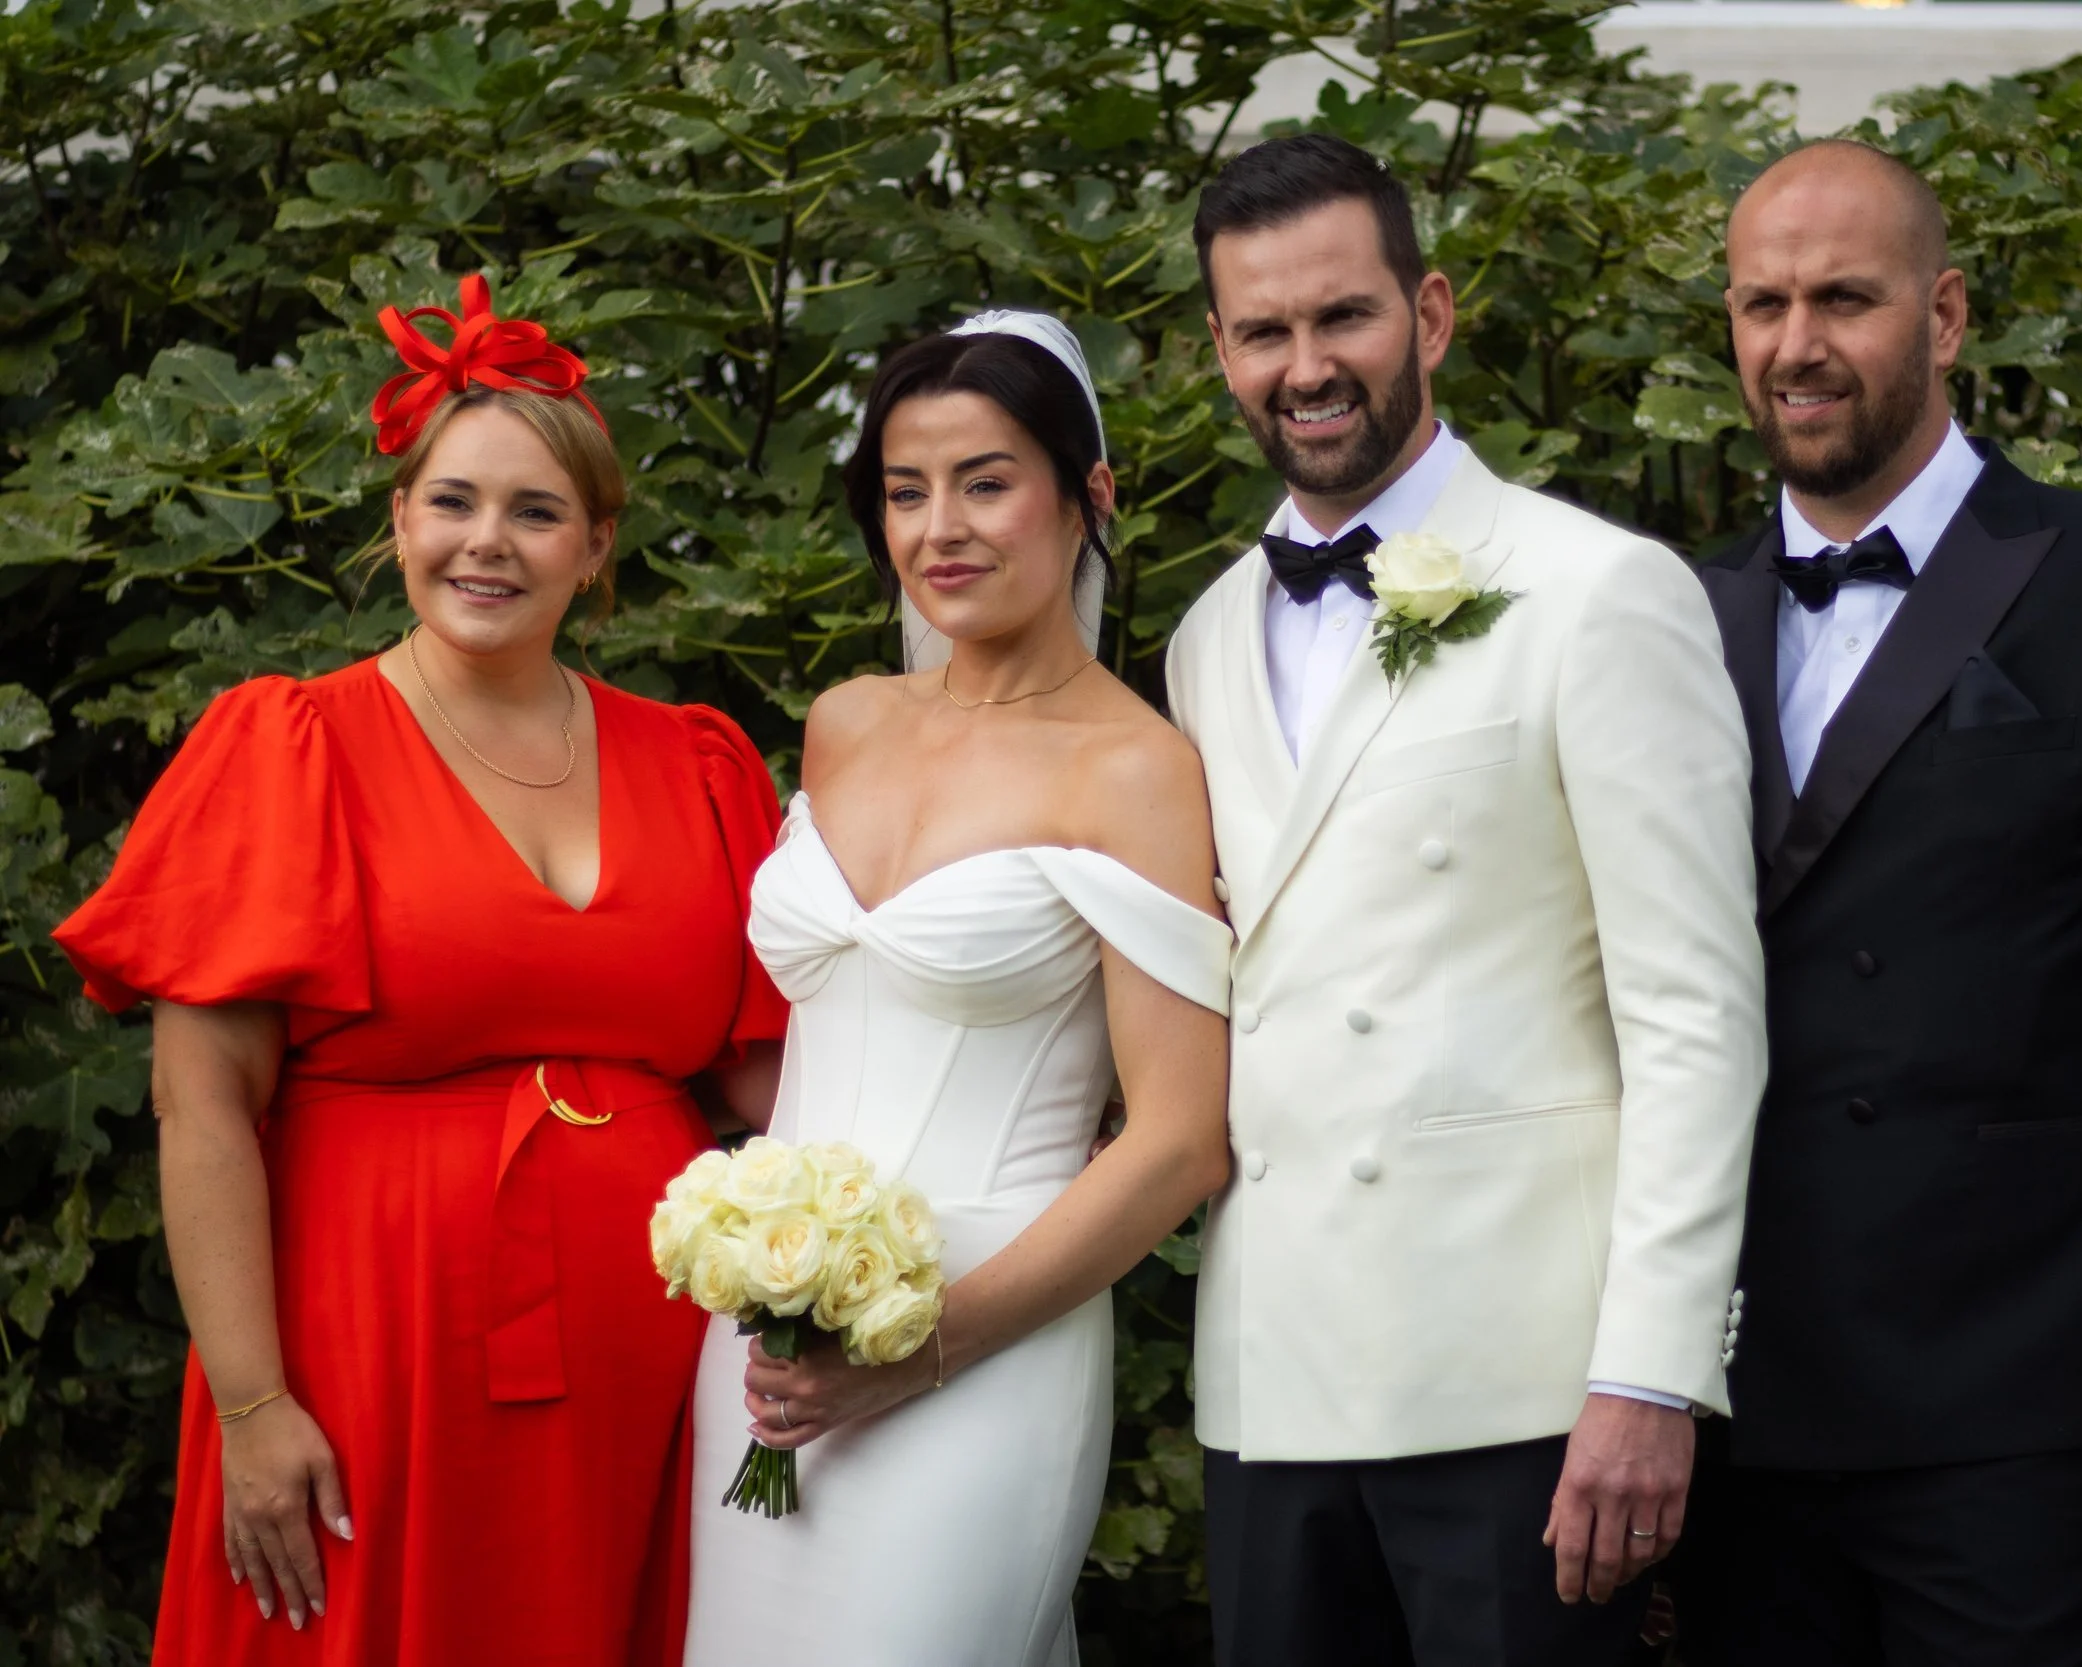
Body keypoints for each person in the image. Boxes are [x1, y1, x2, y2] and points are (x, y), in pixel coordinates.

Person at [51, 275, 788, 1664]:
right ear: (399, 521)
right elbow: (202, 1105)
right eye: (451, 502)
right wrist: (258, 1403)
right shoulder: (292, 747)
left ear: (597, 542)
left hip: (646, 1364)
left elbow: (767, 1068)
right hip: (367, 1346)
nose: (485, 543)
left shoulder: (695, 761)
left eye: (534, 510)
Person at [1668, 140, 2082, 1666]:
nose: (1798, 344)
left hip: (2025, 1420)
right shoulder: (1671, 616)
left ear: (1946, 314)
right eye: (1763, 303)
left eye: (1846, 297)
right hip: (1745, 1412)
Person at [1162, 133, 1767, 1667]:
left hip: (1529, 1394)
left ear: (1428, 315)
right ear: (1219, 352)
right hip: (1274, 1377)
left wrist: (1653, 1372)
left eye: (1343, 317)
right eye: (1263, 332)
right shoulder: (1205, 635)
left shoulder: (1600, 590)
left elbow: (1698, 1019)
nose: (1308, 365)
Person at [679, 311, 1234, 1666]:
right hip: (763, 1335)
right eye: (905, 490)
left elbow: (1176, 1140)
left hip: (985, 1338)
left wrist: (916, 1349)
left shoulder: (1137, 769)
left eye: (987, 482)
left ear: (1087, 495)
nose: (942, 529)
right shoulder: (847, 722)